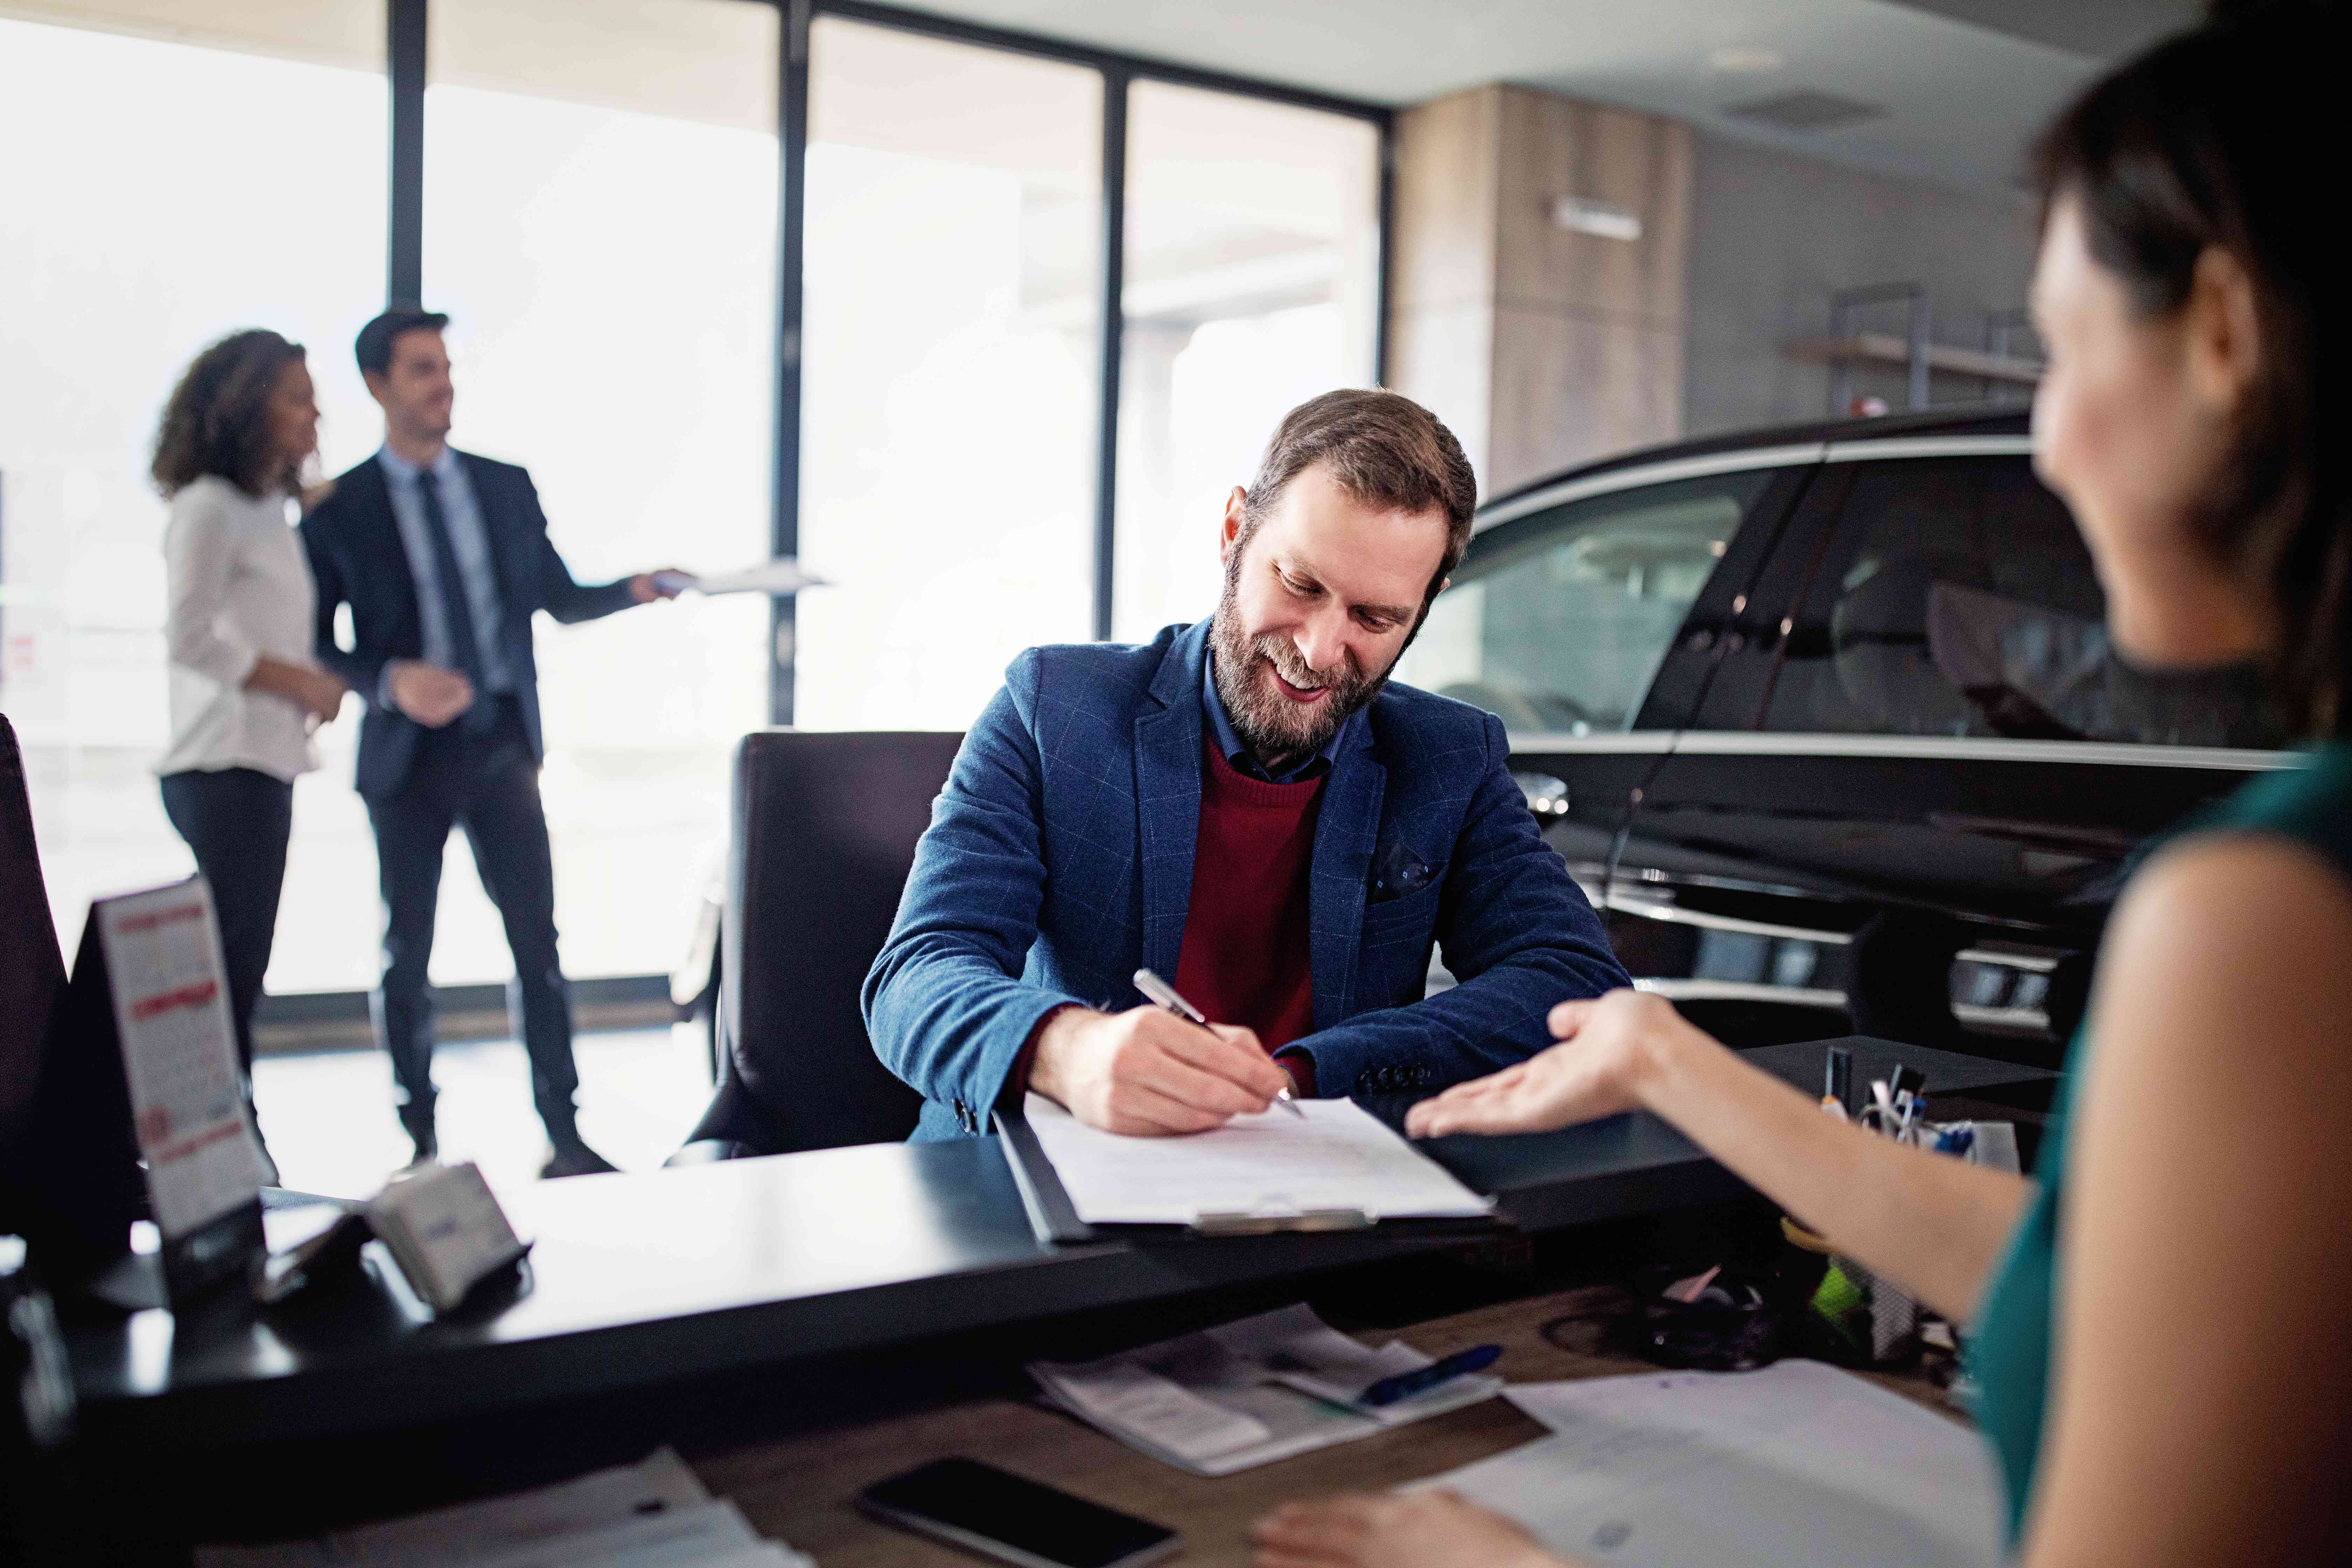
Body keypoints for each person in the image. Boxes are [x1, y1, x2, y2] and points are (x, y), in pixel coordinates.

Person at [1252, 5, 2352, 1565]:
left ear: (2226, 333)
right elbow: (2107, 1276)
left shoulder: (2270, 915)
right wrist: (1671, 1058)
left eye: (2062, 349)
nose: (2045, 439)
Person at [864, 389, 1627, 1141]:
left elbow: (1577, 985)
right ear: (1234, 531)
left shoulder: (1451, 756)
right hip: (1037, 1183)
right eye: (1300, 584)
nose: (1319, 650)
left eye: (1374, 617)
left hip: (1314, 1190)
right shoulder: (1053, 707)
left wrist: (1306, 1071)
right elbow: (916, 977)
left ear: (1424, 607)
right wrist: (1066, 1049)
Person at [300, 308, 683, 1179]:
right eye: (423, 370)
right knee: (409, 950)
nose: (444, 386)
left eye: (446, 368)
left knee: (537, 942)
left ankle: (566, 1131)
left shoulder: (505, 485)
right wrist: (392, 679)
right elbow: (321, 643)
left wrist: (638, 587)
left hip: (504, 746)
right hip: (408, 758)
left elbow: (559, 595)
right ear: (378, 386)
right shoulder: (341, 510)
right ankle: (418, 1143)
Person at [152, 330, 348, 1182]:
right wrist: (295, 682)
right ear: (246, 407)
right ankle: (229, 1146)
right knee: (230, 968)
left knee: (240, 963)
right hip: (221, 765)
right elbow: (189, 634)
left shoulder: (271, 510)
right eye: (297, 397)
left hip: (265, 763)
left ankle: (229, 1135)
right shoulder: (206, 506)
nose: (315, 414)